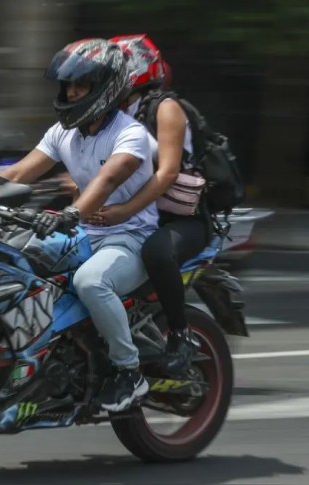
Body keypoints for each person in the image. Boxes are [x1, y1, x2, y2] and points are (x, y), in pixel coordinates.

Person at [0, 38, 157, 412]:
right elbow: (18, 173)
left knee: (90, 282)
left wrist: (70, 214)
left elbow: (107, 180)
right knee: (10, 257)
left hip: (129, 238)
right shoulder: (64, 133)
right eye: (69, 85)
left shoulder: (131, 133)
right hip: (83, 234)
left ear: (105, 88)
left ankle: (129, 372)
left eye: (82, 85)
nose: (73, 92)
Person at [88, 34, 209, 375]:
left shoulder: (166, 109)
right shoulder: (112, 113)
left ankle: (181, 336)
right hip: (139, 214)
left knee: (156, 251)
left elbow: (167, 172)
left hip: (179, 218)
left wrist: (124, 211)